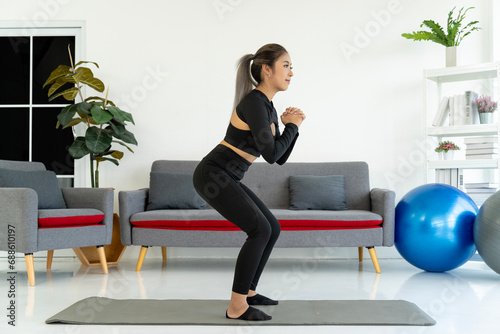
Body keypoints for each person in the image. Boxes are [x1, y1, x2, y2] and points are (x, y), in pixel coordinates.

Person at [193, 43, 305, 321]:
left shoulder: (267, 106)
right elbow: (270, 154)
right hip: (213, 175)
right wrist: (291, 127)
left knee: (272, 228)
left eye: (291, 66)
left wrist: (292, 127)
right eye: (286, 65)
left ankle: (250, 292)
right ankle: (237, 307)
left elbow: (279, 157)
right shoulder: (254, 103)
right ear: (267, 70)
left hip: (227, 176)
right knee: (259, 230)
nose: (291, 72)